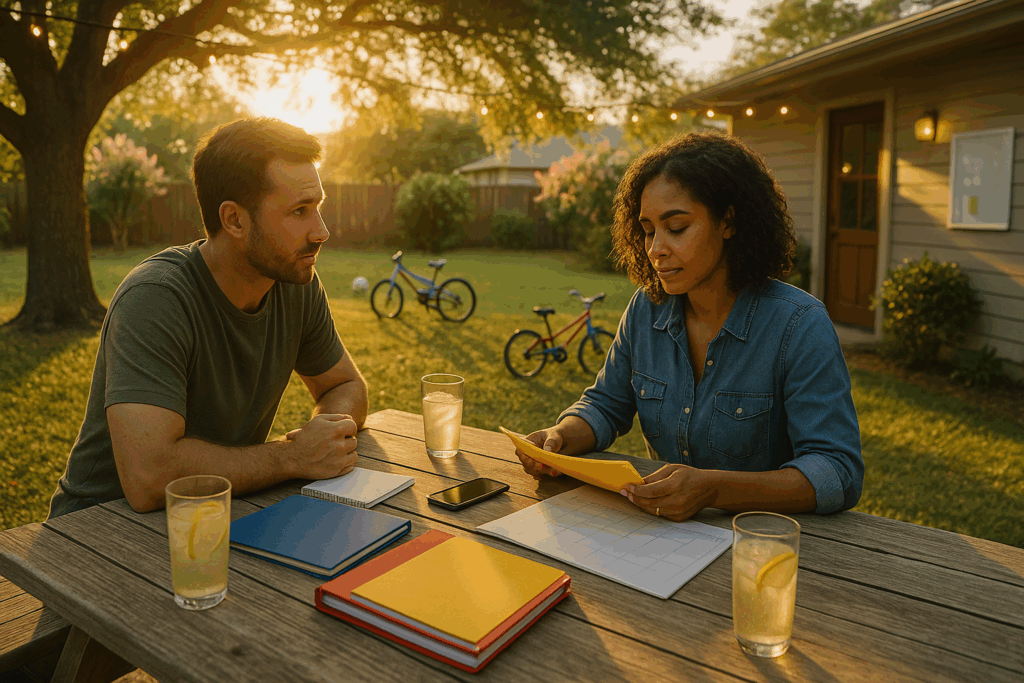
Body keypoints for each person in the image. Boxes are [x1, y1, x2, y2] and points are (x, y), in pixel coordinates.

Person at [514, 132, 863, 521]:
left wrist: (714, 488)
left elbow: (838, 472)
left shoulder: (798, 325)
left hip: (764, 546)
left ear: (728, 222)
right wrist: (561, 436)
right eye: (648, 230)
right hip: (660, 538)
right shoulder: (647, 309)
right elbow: (605, 405)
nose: (655, 249)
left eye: (676, 228)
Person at [47, 117, 368, 518]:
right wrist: (292, 457)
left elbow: (345, 383)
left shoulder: (293, 281)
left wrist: (326, 436)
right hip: (99, 528)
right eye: (300, 211)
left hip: (214, 513)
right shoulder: (155, 298)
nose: (321, 231)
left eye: (318, 207)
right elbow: (149, 478)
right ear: (234, 220)